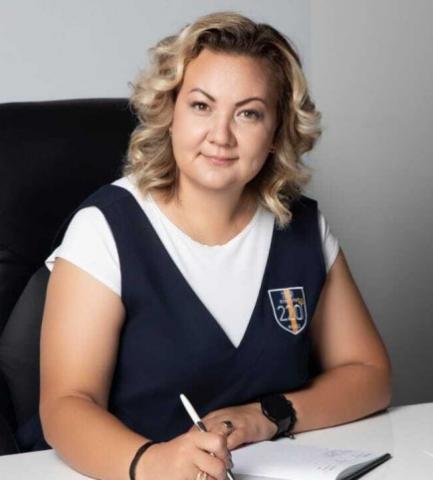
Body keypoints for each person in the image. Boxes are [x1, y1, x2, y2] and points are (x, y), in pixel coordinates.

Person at [38, 11, 392, 480]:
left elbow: (369, 373)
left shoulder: (302, 227)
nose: (221, 135)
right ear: (170, 113)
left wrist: (265, 416)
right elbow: (65, 404)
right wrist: (153, 463)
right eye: (202, 106)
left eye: (248, 113)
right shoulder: (105, 228)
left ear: (276, 131)